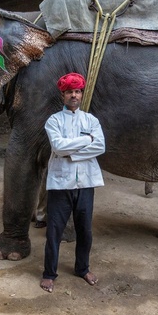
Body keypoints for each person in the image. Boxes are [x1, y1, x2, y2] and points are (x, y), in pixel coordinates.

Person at [39, 72, 105, 293]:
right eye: (70, 92)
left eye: (77, 91)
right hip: (60, 184)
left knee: (85, 230)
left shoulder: (91, 120)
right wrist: (87, 140)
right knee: (54, 232)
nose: (74, 95)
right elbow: (58, 146)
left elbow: (100, 147)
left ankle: (82, 268)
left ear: (81, 94)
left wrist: (72, 152)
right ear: (63, 95)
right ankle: (49, 273)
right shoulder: (54, 121)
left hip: (86, 183)